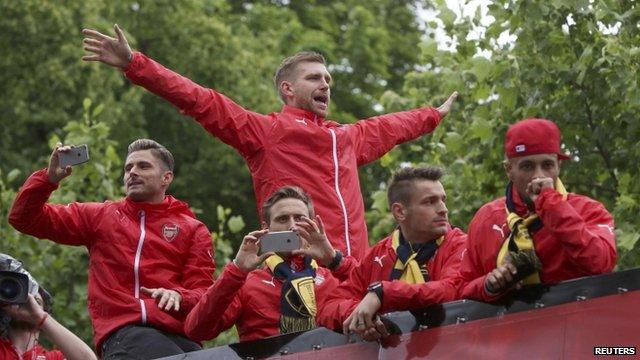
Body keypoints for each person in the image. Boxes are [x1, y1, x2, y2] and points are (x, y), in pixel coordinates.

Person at [81, 24, 458, 261]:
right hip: (293, 267)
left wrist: (433, 115)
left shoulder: (346, 138)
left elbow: (392, 125)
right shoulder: (265, 132)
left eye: (328, 78)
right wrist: (135, 64)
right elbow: (199, 100)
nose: (325, 84)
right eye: (314, 78)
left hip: (349, 270)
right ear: (287, 89)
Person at [8, 139, 215, 359]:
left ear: (167, 178)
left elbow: (204, 294)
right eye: (128, 168)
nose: (132, 172)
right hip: (125, 335)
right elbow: (23, 218)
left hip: (182, 341)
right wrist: (48, 179)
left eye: (143, 166)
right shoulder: (101, 216)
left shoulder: (193, 229)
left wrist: (179, 296)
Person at [458, 118, 617, 301]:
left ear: (559, 166)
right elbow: (462, 288)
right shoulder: (486, 219)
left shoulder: (588, 210)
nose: (538, 176)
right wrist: (488, 285)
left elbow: (601, 264)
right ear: (509, 169)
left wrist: (552, 206)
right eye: (527, 166)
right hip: (511, 328)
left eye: (547, 165)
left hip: (576, 325)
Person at [184, 186, 354, 342]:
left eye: (300, 219)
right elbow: (197, 330)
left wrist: (334, 260)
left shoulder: (333, 277)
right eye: (282, 219)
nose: (292, 226)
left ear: (312, 225)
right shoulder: (246, 283)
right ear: (266, 228)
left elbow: (376, 294)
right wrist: (236, 270)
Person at [317, 167, 467, 341]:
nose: (443, 209)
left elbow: (453, 289)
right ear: (400, 212)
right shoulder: (377, 255)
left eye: (443, 200)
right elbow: (328, 307)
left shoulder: (461, 244)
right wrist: (365, 317)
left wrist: (383, 293)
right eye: (429, 202)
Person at [0, 253, 97, 360]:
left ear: (45, 309)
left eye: (36, 300)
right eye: (22, 294)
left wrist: (41, 318)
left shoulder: (54, 357)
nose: (28, 301)